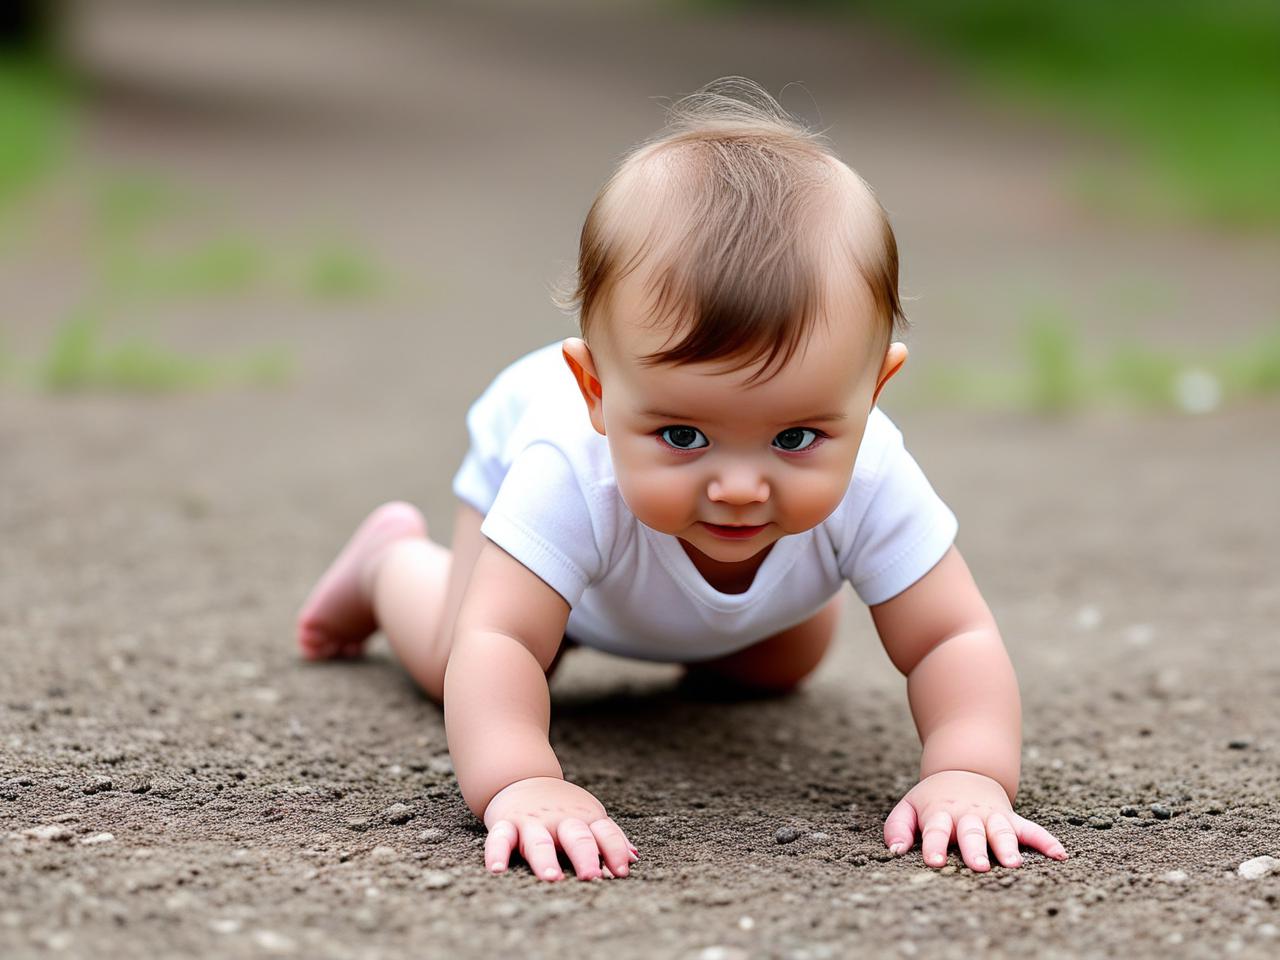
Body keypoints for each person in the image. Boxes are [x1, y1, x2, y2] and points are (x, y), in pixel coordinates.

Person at [296, 78, 1068, 883]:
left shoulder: (875, 468)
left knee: (775, 669)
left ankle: (714, 610)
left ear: (873, 393)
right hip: (555, 558)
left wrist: (968, 773)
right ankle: (388, 564)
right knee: (465, 655)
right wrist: (522, 782)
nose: (739, 486)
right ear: (597, 393)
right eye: (683, 434)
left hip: (729, 583)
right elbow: (501, 641)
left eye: (796, 436)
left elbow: (952, 637)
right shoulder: (564, 468)